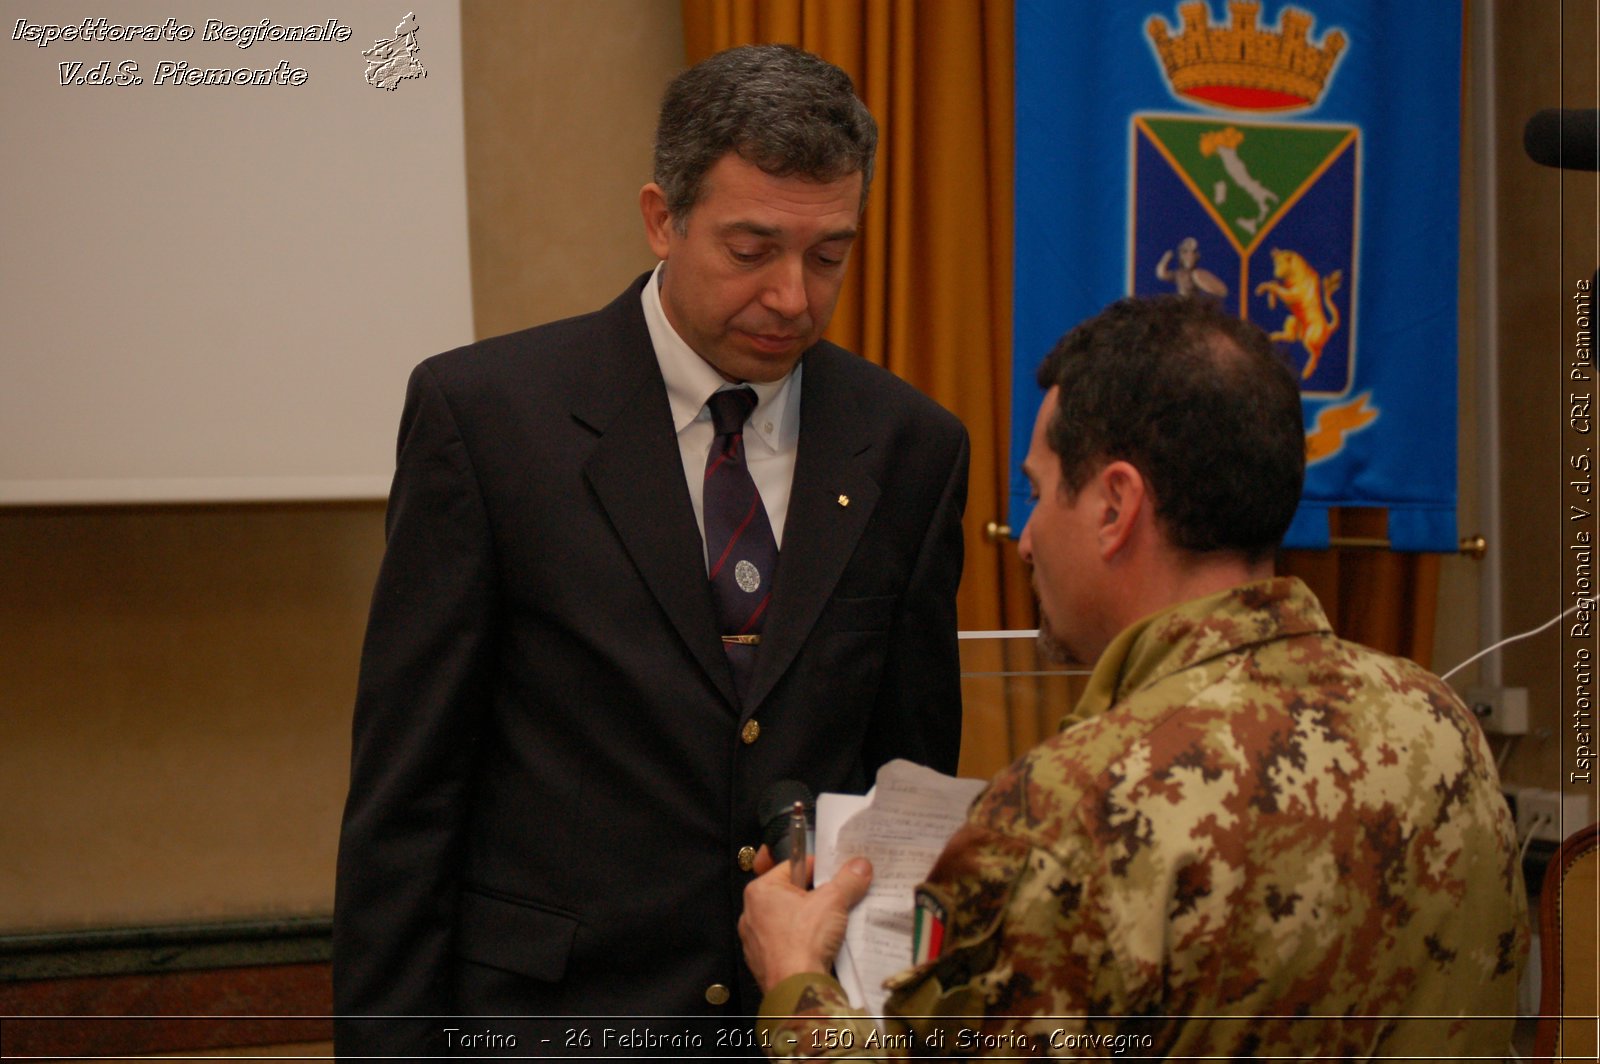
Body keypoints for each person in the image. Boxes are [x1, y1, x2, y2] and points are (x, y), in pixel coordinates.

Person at [333, 44, 968, 1055]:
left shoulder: (910, 448)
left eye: (829, 254)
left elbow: (907, 789)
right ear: (661, 218)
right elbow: (407, 799)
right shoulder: (491, 420)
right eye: (751, 250)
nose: (793, 298)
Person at [741, 295, 1528, 1059]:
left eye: (1041, 491)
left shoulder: (1071, 809)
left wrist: (795, 980)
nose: (1025, 538)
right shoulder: (1442, 726)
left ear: (1116, 506)